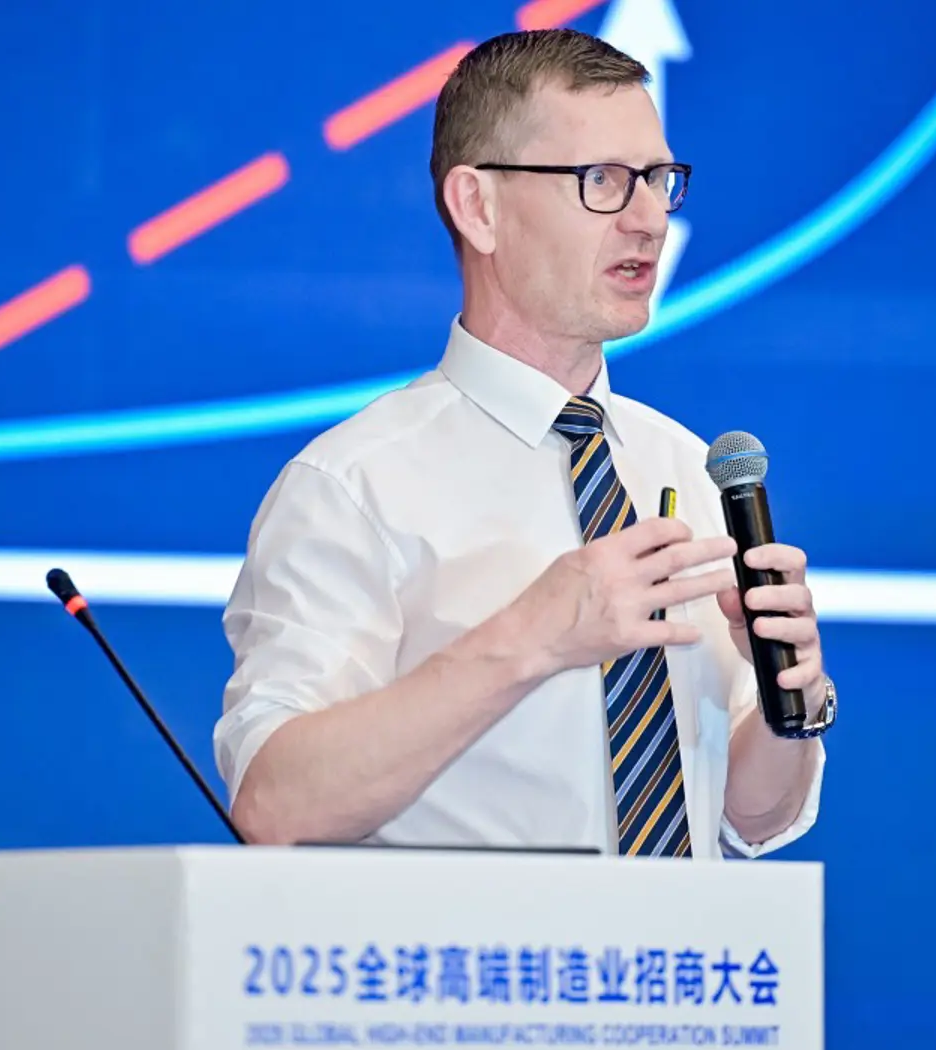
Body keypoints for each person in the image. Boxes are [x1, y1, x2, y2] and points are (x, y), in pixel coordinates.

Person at [212, 27, 833, 858]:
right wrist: (531, 636)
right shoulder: (353, 486)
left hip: (683, 943)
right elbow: (275, 804)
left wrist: (792, 703)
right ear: (479, 207)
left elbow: (744, 819)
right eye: (603, 180)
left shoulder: (688, 467)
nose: (650, 220)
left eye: (658, 180)